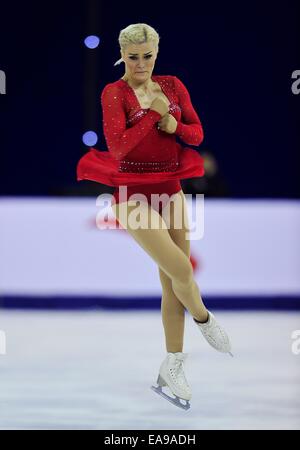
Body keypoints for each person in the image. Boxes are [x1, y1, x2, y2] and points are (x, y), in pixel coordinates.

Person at [76, 23, 232, 410]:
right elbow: (118, 147)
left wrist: (174, 124)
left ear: (156, 52)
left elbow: (196, 134)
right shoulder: (114, 92)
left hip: (171, 188)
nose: (141, 64)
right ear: (122, 55)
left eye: (147, 56)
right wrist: (152, 116)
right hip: (131, 193)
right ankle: (204, 319)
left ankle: (172, 364)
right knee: (182, 271)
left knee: (171, 282)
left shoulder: (174, 85)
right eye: (133, 57)